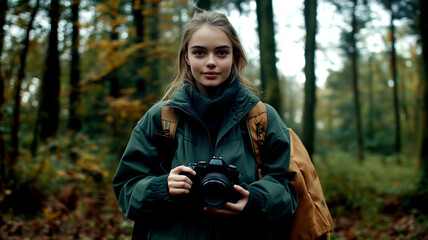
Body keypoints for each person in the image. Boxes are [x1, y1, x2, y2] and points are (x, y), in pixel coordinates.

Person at [112, 10, 298, 240]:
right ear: (187, 57)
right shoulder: (160, 119)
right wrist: (161, 188)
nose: (211, 62)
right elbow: (126, 188)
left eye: (221, 53)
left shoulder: (262, 118)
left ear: (235, 56)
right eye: (199, 52)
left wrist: (256, 199)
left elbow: (288, 192)